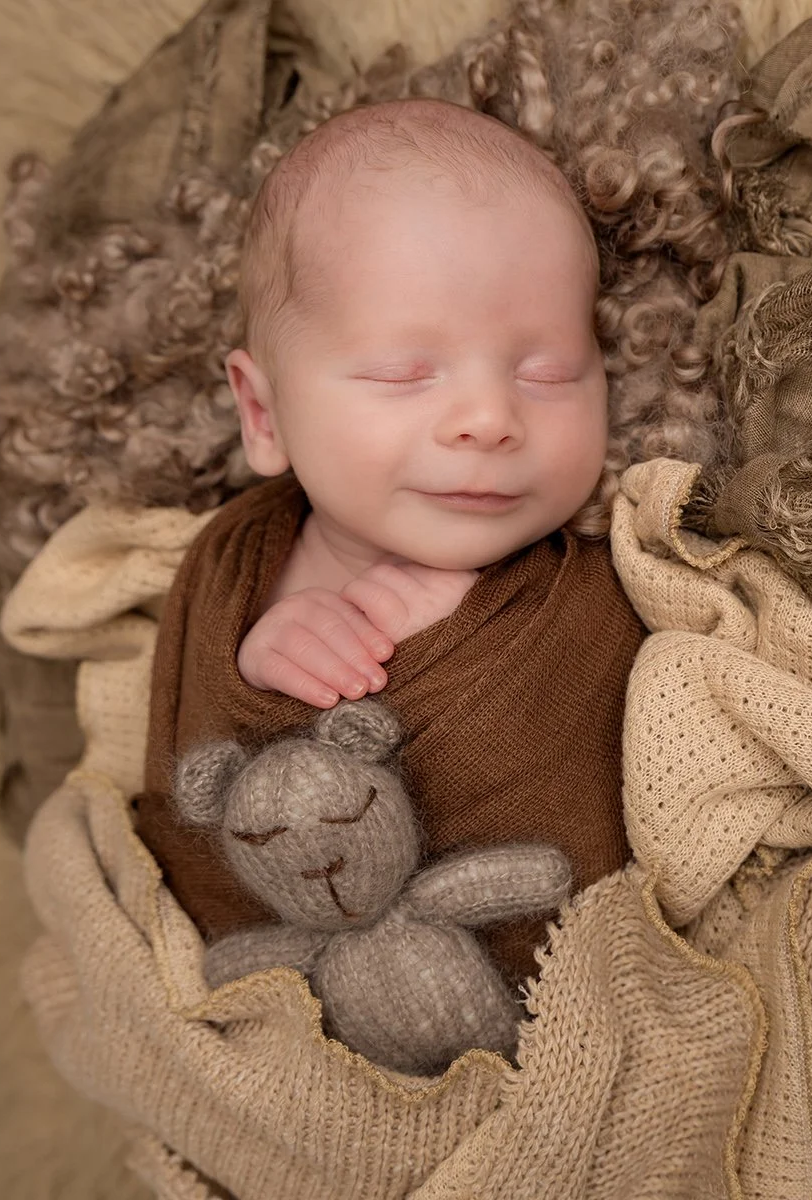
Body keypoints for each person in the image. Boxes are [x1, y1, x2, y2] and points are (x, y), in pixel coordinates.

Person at [135, 98, 644, 982]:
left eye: (548, 371)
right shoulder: (235, 568)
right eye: (404, 373)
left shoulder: (603, 578)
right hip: (278, 1005)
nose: (489, 418)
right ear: (263, 413)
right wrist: (261, 667)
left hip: (572, 1003)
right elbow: (192, 799)